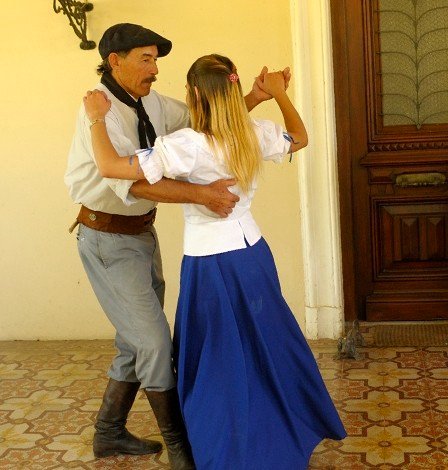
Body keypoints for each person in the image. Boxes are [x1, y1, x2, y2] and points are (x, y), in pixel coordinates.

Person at [82, 53, 347, 469]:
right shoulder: (253, 133)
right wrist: (276, 95)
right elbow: (300, 136)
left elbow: (110, 166)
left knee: (220, 359)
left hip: (211, 264)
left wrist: (96, 118)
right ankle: (289, 422)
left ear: (193, 96)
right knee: (266, 345)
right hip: (254, 255)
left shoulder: (185, 146)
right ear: (230, 92)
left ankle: (226, 448)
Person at [65, 23, 289, 469]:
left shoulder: (153, 102)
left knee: (136, 342)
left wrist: (253, 98)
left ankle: (108, 432)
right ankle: (181, 446)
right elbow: (129, 179)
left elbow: (206, 130)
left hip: (139, 236)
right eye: (145, 59)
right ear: (115, 61)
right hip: (106, 236)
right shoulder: (101, 111)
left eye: (156, 60)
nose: (154, 69)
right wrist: (202, 194)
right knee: (152, 342)